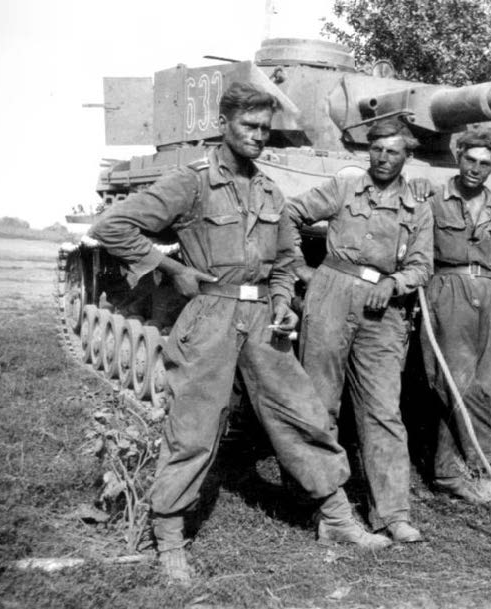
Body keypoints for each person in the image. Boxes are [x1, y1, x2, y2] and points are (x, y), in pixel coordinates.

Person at [90, 82, 391, 583]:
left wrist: (281, 300)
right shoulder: (190, 182)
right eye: (249, 127)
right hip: (211, 313)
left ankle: (336, 518)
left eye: (265, 129)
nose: (258, 136)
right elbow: (112, 226)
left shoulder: (269, 188)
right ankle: (167, 536)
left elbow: (286, 259)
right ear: (224, 124)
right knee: (194, 426)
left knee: (302, 412)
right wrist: (169, 269)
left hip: (261, 321)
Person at [287, 118, 434, 543]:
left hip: (383, 310)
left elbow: (422, 264)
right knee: (319, 403)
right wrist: (300, 268)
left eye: (393, 152)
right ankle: (320, 505)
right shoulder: (344, 188)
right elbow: (290, 214)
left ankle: (392, 515)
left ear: (407, 157)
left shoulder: (417, 204)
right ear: (368, 151)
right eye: (377, 150)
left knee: (383, 411)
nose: (383, 158)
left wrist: (394, 283)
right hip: (331, 292)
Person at [420, 129, 491, 504]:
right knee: (456, 383)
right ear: (458, 157)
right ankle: (490, 462)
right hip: (449, 290)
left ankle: (447, 471)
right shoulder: (433, 200)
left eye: (485, 163)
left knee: (484, 384)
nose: (475, 169)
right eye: (470, 160)